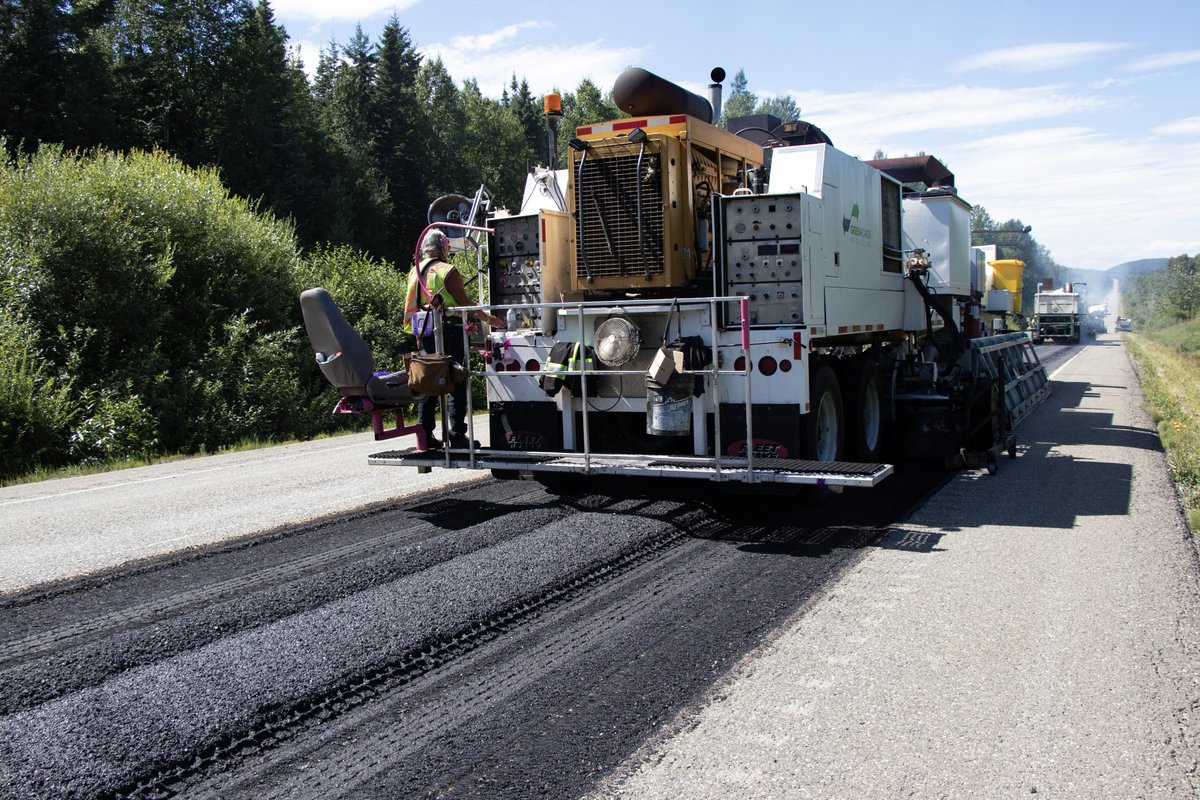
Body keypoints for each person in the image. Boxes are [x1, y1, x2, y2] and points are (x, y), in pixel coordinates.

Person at [404, 229, 504, 449]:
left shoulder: (415, 272)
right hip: (450, 330)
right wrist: (489, 320)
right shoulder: (447, 270)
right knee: (457, 379)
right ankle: (457, 434)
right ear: (443, 247)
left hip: (425, 332)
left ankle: (425, 435)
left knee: (427, 380)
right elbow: (466, 304)